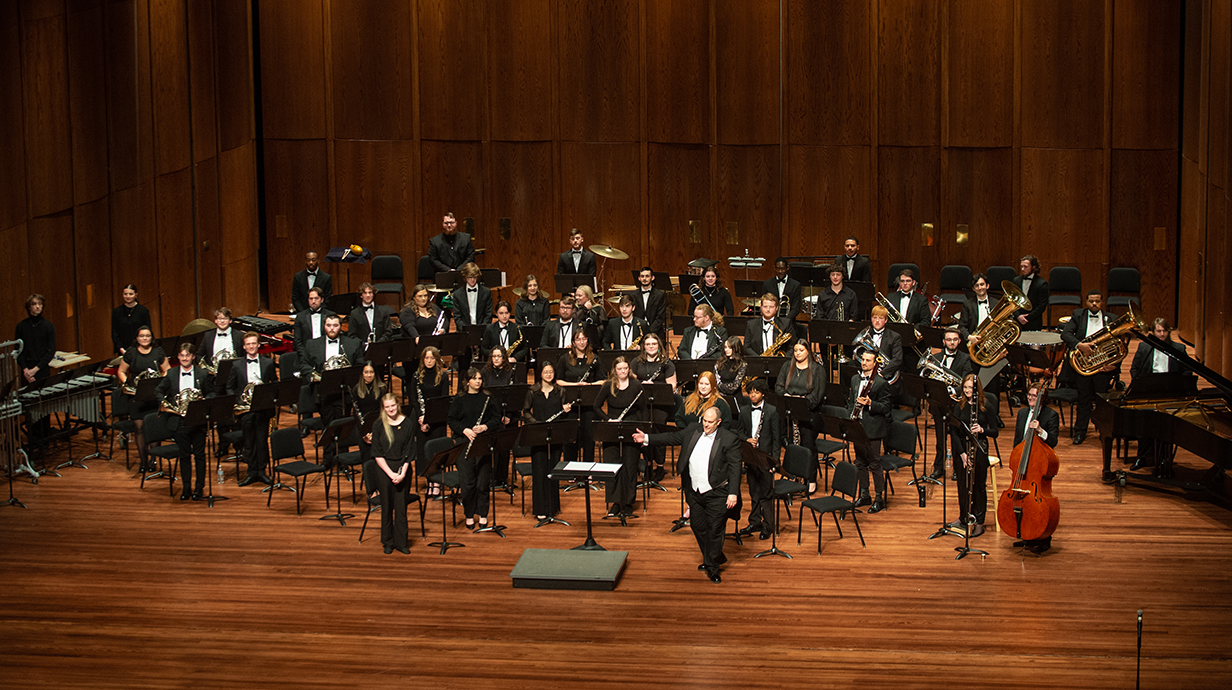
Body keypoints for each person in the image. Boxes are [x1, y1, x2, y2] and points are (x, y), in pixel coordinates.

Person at [634, 406, 742, 584]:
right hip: (694, 490)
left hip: (718, 493)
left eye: (710, 422)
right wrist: (646, 438)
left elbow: (735, 468)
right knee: (698, 526)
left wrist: (733, 493)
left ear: (719, 422)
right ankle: (714, 556)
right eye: (704, 421)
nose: (706, 425)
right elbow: (671, 438)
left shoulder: (729, 439)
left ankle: (712, 567)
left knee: (714, 530)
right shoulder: (693, 429)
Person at [300, 314, 365, 468]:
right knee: (327, 425)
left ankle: (342, 460)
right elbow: (304, 365)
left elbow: (360, 365)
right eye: (329, 325)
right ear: (324, 326)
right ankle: (327, 460)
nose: (332, 328)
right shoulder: (311, 344)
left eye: (335, 325)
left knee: (344, 425)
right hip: (324, 393)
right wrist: (313, 376)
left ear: (341, 327)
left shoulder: (352, 344)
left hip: (344, 393)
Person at [1128, 318, 1190, 471]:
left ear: (1169, 332)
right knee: (1144, 423)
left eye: (1164, 331)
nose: (1161, 334)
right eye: (1158, 331)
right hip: (1148, 392)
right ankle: (1142, 458)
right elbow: (1134, 370)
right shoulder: (1144, 347)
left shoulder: (1179, 349)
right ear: (1153, 332)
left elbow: (1187, 372)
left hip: (1170, 393)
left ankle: (1164, 458)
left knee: (1167, 426)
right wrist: (1141, 386)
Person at [1060, 289, 1118, 445]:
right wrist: (1080, 345)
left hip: (1102, 367)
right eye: (1091, 301)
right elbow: (1065, 334)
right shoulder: (1078, 315)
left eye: (1097, 301)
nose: (1094, 304)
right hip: (1083, 367)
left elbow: (1119, 345)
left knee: (1102, 402)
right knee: (1083, 400)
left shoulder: (1111, 319)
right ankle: (1080, 431)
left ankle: (1104, 432)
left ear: (1102, 302)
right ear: (1086, 302)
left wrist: (1113, 365)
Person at [155, 343, 211, 501]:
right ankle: (186, 488)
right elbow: (158, 390)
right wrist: (165, 403)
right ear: (178, 357)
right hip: (179, 421)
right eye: (181, 355)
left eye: (187, 355)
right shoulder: (171, 374)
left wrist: (206, 400)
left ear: (193, 357)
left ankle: (199, 488)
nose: (184, 358)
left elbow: (212, 392)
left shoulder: (203, 374)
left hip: (198, 420)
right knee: (184, 456)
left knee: (200, 456)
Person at [448, 367, 502, 530]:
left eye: (480, 378)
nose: (478, 381)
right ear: (468, 381)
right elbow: (452, 420)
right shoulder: (459, 399)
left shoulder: (488, 399)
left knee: (482, 483)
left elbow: (496, 419)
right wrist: (465, 430)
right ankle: (469, 514)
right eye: (474, 378)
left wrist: (485, 427)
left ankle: (483, 514)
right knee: (468, 483)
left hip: (483, 443)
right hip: (464, 443)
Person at [593, 356, 645, 519]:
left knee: (630, 465)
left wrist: (642, 432)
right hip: (612, 428)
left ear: (629, 369)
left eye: (625, 368)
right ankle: (615, 502)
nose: (623, 371)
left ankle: (628, 503)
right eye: (620, 369)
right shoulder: (609, 385)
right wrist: (608, 420)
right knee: (612, 464)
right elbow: (596, 406)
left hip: (631, 428)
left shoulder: (636, 385)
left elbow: (643, 410)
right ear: (614, 371)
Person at [1012, 382, 1060, 553]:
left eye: (1034, 396)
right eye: (1029, 395)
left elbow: (1053, 441)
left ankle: (1044, 538)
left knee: (1039, 504)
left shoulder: (1051, 415)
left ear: (1042, 399)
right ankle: (1026, 535)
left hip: (1039, 466)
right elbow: (1018, 440)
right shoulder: (1022, 413)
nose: (1030, 398)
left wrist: (1040, 430)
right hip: (1022, 466)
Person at [947, 374, 998, 538]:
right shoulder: (959, 406)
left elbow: (995, 432)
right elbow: (954, 432)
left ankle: (979, 522)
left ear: (977, 390)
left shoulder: (985, 407)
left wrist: (982, 430)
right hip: (962, 449)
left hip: (979, 448)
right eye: (966, 388)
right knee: (962, 484)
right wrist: (961, 453)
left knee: (978, 486)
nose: (968, 391)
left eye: (971, 388)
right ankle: (963, 517)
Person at [522, 361, 573, 523]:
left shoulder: (560, 391)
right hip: (538, 435)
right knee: (539, 471)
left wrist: (566, 411)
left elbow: (563, 416)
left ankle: (552, 507)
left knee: (553, 470)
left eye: (551, 372)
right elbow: (525, 411)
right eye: (546, 372)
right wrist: (537, 424)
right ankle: (540, 509)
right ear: (540, 374)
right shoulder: (533, 391)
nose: (549, 375)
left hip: (555, 436)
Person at [228, 331, 278, 486]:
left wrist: (270, 397)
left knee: (262, 441)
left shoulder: (268, 363)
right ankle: (251, 472)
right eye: (248, 344)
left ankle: (262, 472)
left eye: (253, 343)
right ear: (244, 346)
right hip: (245, 410)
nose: (251, 346)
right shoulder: (236, 365)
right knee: (249, 442)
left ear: (258, 345)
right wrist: (238, 402)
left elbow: (274, 383)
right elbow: (230, 387)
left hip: (262, 408)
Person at [116, 325, 169, 471]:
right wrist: (127, 384)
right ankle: (143, 461)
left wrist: (160, 382)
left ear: (151, 338)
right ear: (137, 338)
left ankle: (153, 460)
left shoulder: (158, 352)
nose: (144, 338)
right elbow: (121, 371)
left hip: (153, 395)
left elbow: (167, 370)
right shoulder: (131, 353)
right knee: (139, 429)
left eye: (147, 336)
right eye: (141, 336)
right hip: (136, 396)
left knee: (154, 427)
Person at [925, 327, 974, 482]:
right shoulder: (936, 358)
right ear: (943, 341)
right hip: (939, 404)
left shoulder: (965, 358)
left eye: (954, 339)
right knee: (940, 437)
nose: (951, 342)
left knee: (956, 437)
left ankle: (957, 467)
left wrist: (952, 388)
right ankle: (938, 467)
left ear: (959, 341)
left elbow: (967, 380)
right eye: (949, 339)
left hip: (956, 405)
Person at [775, 339, 825, 491]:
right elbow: (778, 387)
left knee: (808, 445)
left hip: (809, 414)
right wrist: (788, 397)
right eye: (796, 351)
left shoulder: (817, 370)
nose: (798, 354)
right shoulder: (787, 366)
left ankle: (810, 479)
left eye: (801, 350)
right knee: (791, 444)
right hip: (790, 412)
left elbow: (817, 396)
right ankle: (794, 474)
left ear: (808, 351)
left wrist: (801, 401)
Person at [848, 350, 892, 514]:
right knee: (860, 462)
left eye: (868, 360)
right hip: (857, 426)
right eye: (863, 360)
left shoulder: (881, 383)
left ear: (875, 363)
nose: (864, 363)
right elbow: (850, 401)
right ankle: (864, 494)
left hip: (873, 428)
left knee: (874, 463)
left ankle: (879, 498)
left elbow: (886, 408)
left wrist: (871, 403)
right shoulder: (854, 379)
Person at [371, 393, 415, 554]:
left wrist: (402, 473)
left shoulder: (408, 423)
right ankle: (388, 542)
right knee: (387, 506)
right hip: (385, 470)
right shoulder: (378, 425)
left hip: (402, 469)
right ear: (384, 408)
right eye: (387, 406)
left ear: (398, 405)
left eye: (393, 405)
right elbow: (377, 453)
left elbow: (409, 451)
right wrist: (391, 474)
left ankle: (402, 542)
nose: (391, 409)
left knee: (401, 507)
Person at [737, 378, 781, 540]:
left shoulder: (772, 411)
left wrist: (774, 462)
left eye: (756, 392)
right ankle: (754, 521)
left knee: (766, 494)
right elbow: (738, 432)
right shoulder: (743, 411)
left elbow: (777, 439)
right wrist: (747, 439)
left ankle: (768, 525)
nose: (753, 395)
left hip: (765, 457)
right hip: (750, 457)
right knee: (753, 492)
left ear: (763, 393)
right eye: (751, 392)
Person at [631, 333, 676, 482]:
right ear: (644, 347)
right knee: (644, 433)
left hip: (660, 405)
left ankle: (660, 466)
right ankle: (648, 464)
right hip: (642, 405)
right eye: (648, 344)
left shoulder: (667, 363)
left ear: (659, 346)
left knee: (658, 434)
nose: (651, 346)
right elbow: (632, 383)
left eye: (654, 344)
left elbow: (672, 386)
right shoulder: (636, 362)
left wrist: (655, 386)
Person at [15, 294, 56, 446]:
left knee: (43, 405)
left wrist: (35, 369)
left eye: (40, 304)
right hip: (26, 371)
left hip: (42, 370)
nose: (38, 306)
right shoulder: (21, 326)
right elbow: (18, 351)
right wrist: (26, 370)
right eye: (34, 304)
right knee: (30, 406)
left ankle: (45, 437)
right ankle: (33, 438)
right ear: (29, 307)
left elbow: (50, 351)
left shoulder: (48, 326)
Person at [409, 346, 451, 495]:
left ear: (437, 359)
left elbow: (443, 400)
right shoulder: (416, 376)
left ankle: (437, 483)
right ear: (422, 359)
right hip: (421, 420)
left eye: (432, 358)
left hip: (437, 420)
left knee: (436, 452)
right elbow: (414, 399)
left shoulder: (443, 376)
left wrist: (430, 420)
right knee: (423, 451)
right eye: (426, 358)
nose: (429, 361)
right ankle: (429, 480)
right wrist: (422, 418)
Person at [557, 329, 602, 466]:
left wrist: (588, 384)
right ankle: (570, 468)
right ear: (573, 342)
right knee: (571, 437)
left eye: (584, 339)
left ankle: (588, 468)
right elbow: (558, 380)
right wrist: (574, 385)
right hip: (570, 405)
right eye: (578, 339)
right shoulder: (565, 359)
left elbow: (603, 380)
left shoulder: (594, 358)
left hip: (588, 404)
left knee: (589, 437)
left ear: (587, 340)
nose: (581, 342)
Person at [856, 305, 904, 389]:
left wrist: (881, 374)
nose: (877, 321)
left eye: (881, 318)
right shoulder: (866, 335)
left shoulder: (895, 337)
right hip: (867, 374)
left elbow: (897, 359)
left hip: (884, 377)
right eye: (874, 317)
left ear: (886, 320)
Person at [198, 307, 244, 391]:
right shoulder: (208, 336)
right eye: (219, 318)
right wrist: (206, 369)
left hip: (234, 377)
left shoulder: (239, 335)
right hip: (214, 378)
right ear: (215, 321)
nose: (222, 321)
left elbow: (244, 355)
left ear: (230, 321)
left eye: (225, 318)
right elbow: (199, 355)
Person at [352, 362, 387, 464]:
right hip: (362, 427)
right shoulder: (356, 389)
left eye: (371, 372)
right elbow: (356, 412)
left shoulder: (382, 388)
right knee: (367, 459)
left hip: (379, 425)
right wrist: (365, 433)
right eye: (366, 372)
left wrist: (375, 431)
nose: (369, 375)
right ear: (362, 374)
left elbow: (383, 410)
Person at [292, 287, 335, 358]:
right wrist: (305, 355)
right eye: (311, 299)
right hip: (307, 353)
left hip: (326, 352)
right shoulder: (300, 317)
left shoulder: (330, 315)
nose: (313, 301)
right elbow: (297, 340)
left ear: (322, 300)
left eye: (316, 298)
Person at [1012, 254, 1050, 331]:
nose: (1022, 269)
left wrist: (1027, 317)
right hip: (1017, 320)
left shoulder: (1042, 284)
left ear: (1034, 267)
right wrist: (1018, 316)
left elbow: (1042, 306)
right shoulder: (1016, 281)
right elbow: (1012, 300)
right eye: (1021, 266)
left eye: (1025, 267)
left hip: (1033, 321)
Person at [450, 262, 493, 329]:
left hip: (482, 329)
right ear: (465, 277)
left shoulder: (486, 292)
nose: (472, 280)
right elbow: (457, 317)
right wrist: (466, 329)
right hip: (464, 331)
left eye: (474, 277)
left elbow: (488, 315)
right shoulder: (457, 294)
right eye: (470, 277)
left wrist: (482, 328)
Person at [111, 283, 151, 355]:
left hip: (141, 348)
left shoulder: (143, 310)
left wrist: (142, 347)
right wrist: (121, 349)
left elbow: (147, 330)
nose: (128, 296)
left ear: (136, 295)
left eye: (130, 294)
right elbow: (115, 332)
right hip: (123, 350)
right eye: (125, 294)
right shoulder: (117, 311)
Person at [714, 336, 747, 413]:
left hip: (735, 400)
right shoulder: (720, 362)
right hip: (719, 398)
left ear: (736, 348)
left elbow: (734, 387)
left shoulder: (742, 364)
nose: (726, 350)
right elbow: (714, 381)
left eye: (729, 347)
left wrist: (720, 386)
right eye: (725, 347)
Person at [958, 273, 994, 341]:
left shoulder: (996, 303)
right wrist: (969, 337)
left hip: (992, 339)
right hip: (975, 339)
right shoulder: (968, 304)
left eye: (982, 284)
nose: (980, 288)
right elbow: (961, 326)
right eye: (977, 286)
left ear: (987, 286)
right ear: (973, 289)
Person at [632, 266, 667, 338]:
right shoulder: (633, 295)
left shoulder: (660, 295)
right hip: (638, 332)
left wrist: (649, 332)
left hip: (656, 332)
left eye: (647, 276)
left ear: (652, 278)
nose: (644, 279)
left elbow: (660, 317)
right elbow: (632, 315)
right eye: (642, 276)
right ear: (639, 278)